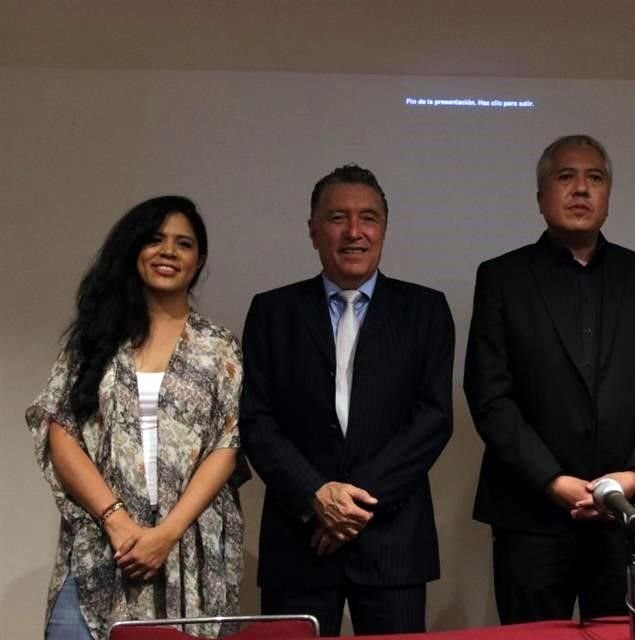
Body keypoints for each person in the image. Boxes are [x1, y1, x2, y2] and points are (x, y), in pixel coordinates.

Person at [464, 134, 635, 623]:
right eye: (566, 177)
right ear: (541, 197)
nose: (581, 189)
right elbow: (489, 395)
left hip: (627, 513)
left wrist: (631, 478)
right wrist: (551, 480)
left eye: (595, 178)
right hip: (531, 514)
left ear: (609, 196)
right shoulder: (502, 278)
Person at [239, 164, 454, 636]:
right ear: (313, 230)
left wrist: (351, 504)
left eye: (369, 218)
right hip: (300, 539)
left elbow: (433, 420)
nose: (354, 232)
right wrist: (316, 495)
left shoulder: (426, 310)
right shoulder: (272, 312)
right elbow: (256, 421)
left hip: (392, 541)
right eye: (338, 217)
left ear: (384, 229)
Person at [26, 196, 246, 640]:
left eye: (183, 244)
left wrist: (166, 533)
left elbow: (227, 446)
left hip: (187, 554)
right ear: (134, 251)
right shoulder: (94, 340)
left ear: (198, 260)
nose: (168, 251)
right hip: (98, 549)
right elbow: (60, 432)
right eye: (155, 240)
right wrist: (118, 523)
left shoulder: (219, 348)